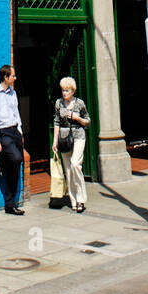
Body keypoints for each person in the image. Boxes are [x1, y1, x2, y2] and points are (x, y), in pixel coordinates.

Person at [0, 64, 25, 214]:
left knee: (16, 165)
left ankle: (10, 204)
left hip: (14, 130)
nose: (15, 78)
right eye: (13, 76)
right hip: (3, 133)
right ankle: (2, 162)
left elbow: (16, 112)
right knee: (15, 159)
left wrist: (20, 131)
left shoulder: (12, 93)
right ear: (6, 77)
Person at [52, 76, 91, 212]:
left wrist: (77, 118)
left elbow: (87, 121)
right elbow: (56, 122)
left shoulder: (79, 103)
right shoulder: (59, 103)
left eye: (67, 91)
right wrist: (55, 141)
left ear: (73, 91)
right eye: (63, 90)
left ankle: (81, 199)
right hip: (64, 138)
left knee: (75, 165)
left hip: (78, 136)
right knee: (68, 170)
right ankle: (73, 201)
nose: (65, 93)